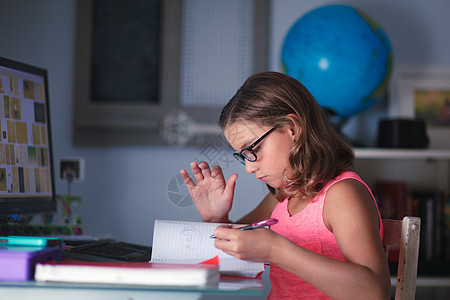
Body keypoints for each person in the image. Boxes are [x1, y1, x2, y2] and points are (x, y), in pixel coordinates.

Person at [180, 71, 391, 299]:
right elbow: (236, 252)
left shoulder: (342, 194)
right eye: (243, 156)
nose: (249, 168)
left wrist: (277, 250)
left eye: (254, 149)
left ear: (292, 128)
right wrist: (216, 219)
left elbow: (374, 292)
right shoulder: (282, 196)